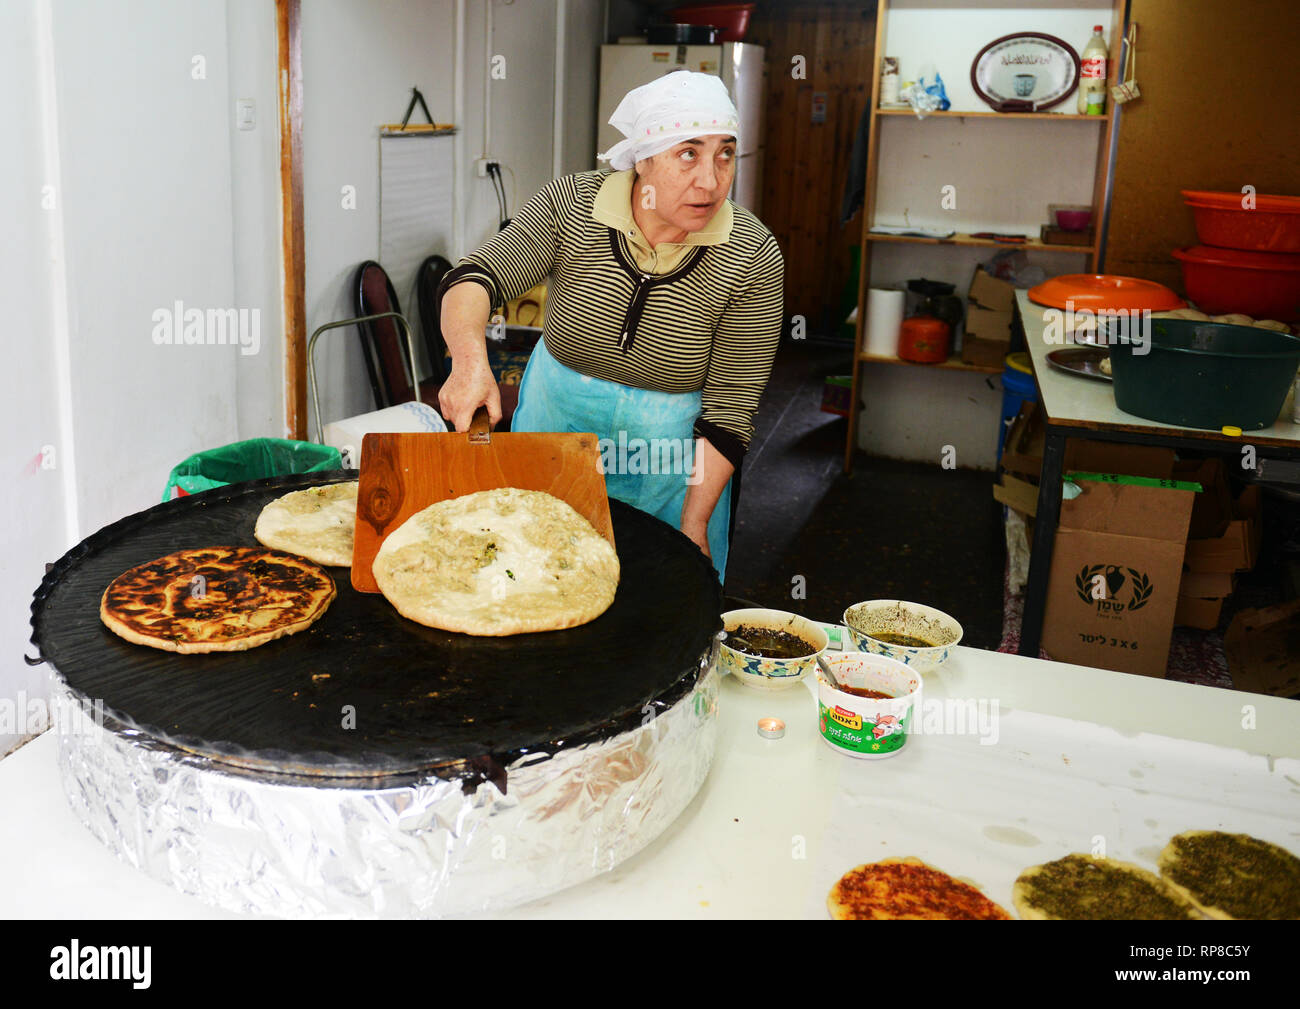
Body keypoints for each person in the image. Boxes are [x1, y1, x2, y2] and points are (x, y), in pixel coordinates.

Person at [438, 71, 783, 581]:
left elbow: (731, 411)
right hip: (552, 441)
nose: (710, 180)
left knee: (654, 611)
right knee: (531, 580)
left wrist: (692, 527)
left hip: (669, 473)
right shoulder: (573, 205)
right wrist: (468, 361)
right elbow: (476, 276)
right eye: (688, 152)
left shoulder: (751, 254)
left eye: (725, 153)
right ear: (643, 158)